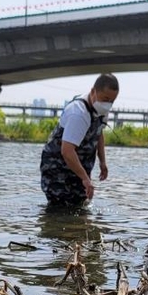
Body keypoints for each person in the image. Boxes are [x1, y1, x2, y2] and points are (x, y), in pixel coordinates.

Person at [40, 73, 119, 207]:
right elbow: (67, 151)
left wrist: (102, 162)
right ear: (93, 91)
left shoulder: (101, 110)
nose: (107, 104)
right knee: (60, 208)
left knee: (80, 204)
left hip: (79, 165)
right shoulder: (78, 113)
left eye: (111, 101)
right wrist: (85, 179)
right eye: (105, 99)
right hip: (57, 167)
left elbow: (99, 134)